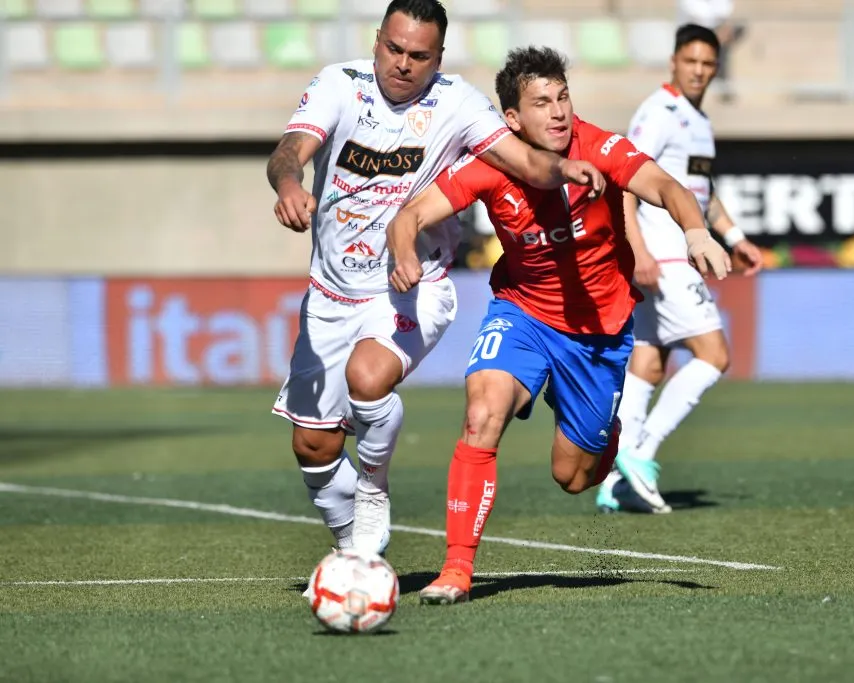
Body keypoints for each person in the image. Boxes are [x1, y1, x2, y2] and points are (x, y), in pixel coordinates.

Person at [385, 46, 732, 605]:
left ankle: (605, 436)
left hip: (598, 333)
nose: (558, 111)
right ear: (512, 119)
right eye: (542, 102)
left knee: (572, 477)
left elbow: (668, 187)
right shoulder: (489, 163)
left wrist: (695, 231)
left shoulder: (600, 147)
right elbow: (412, 214)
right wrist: (404, 251)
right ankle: (456, 570)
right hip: (522, 312)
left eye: (563, 97)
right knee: (482, 412)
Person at [265, 0, 604, 557]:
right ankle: (355, 557)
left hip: (414, 285)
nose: (402, 63)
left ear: (438, 58)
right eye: (394, 48)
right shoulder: (338, 85)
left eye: (418, 55)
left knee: (367, 376)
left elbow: (523, 161)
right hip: (329, 293)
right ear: (377, 40)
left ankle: (373, 488)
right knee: (313, 446)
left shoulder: (457, 103)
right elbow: (289, 151)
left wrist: (564, 168)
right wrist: (288, 184)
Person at [596, 24, 763, 515]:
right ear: (673, 62)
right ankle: (640, 453)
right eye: (690, 61)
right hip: (665, 255)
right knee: (714, 355)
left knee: (648, 363)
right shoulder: (659, 112)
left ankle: (613, 481)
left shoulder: (698, 120)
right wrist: (637, 249)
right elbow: (625, 179)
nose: (698, 71)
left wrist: (735, 238)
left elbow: (701, 194)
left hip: (669, 255)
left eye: (707, 63)